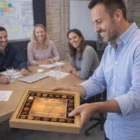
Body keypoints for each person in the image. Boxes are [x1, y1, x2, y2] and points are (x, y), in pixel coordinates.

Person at [52, 0, 140, 139]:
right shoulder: (110, 49)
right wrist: (72, 90)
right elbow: (97, 81)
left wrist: (97, 107)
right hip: (110, 129)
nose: (95, 29)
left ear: (117, 15)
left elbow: (137, 96)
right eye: (94, 23)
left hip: (131, 134)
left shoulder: (137, 45)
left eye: (99, 21)